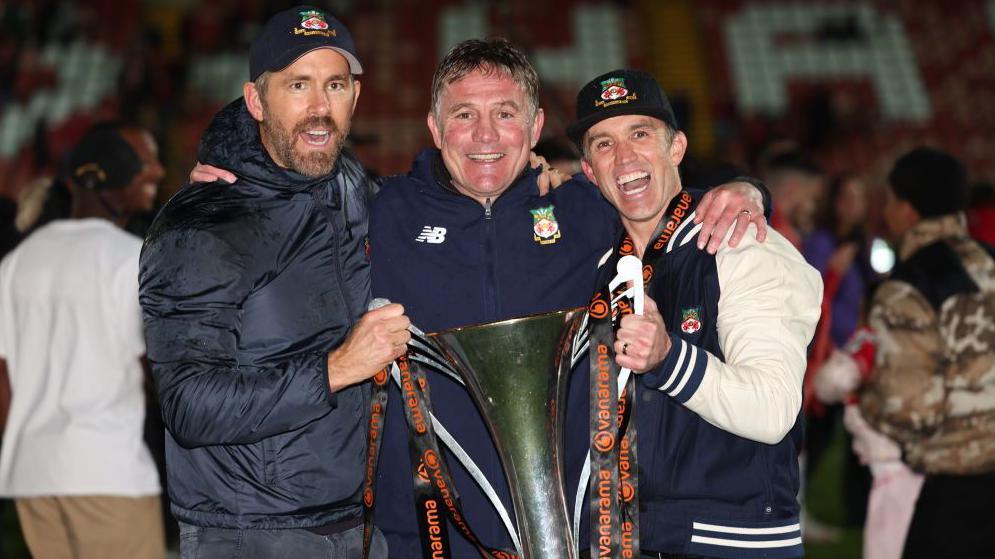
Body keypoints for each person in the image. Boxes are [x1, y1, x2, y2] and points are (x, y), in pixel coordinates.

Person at [369, 41, 773, 558]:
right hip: (426, 539)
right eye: (464, 114)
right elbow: (292, 191)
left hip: (574, 536)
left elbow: (669, 204)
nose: (485, 135)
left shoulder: (588, 210)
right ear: (434, 127)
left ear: (535, 127)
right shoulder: (382, 212)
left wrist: (748, 190)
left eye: (505, 113)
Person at [139, 6, 407, 558]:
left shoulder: (351, 187)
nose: (318, 109)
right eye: (297, 86)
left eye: (334, 85)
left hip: (359, 523)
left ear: (355, 96)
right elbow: (187, 404)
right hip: (249, 532)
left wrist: (550, 174)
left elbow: (430, 202)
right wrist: (336, 368)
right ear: (257, 101)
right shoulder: (201, 226)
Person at [567, 69, 822, 558]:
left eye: (640, 134)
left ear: (677, 147)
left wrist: (668, 359)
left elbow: (772, 410)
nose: (624, 158)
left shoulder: (741, 244)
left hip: (732, 543)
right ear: (588, 170)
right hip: (624, 540)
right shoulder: (601, 267)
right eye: (603, 144)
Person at [0, 122, 166, 559]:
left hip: (32, 475)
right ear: (120, 185)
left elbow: (3, 378)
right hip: (108, 471)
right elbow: (156, 365)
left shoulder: (17, 261)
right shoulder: (130, 258)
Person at [858, 147, 995, 559]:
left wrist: (863, 403)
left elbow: (912, 411)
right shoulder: (990, 261)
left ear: (906, 208)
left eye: (890, 201)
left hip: (952, 493)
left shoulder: (906, 288)